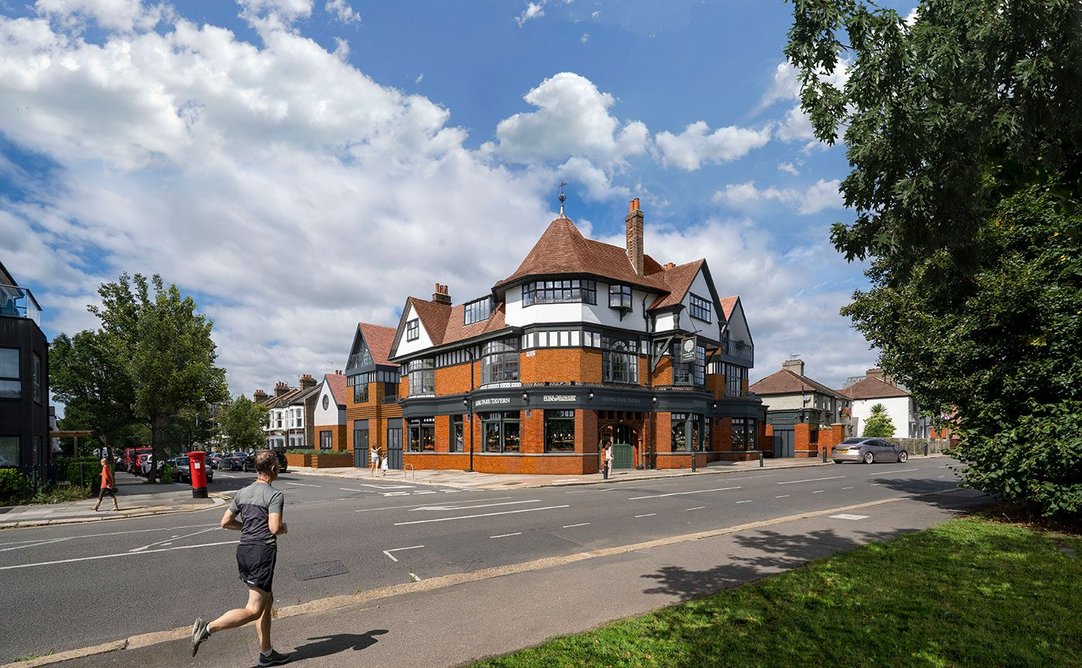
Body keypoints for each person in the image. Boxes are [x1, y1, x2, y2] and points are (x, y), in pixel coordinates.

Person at [191, 450, 291, 666]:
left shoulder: (243, 492)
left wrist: (247, 527)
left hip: (244, 550)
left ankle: (266, 653)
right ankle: (207, 628)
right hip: (261, 553)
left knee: (267, 600)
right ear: (273, 468)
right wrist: (284, 528)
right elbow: (274, 527)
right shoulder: (275, 495)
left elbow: (225, 522)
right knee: (254, 609)